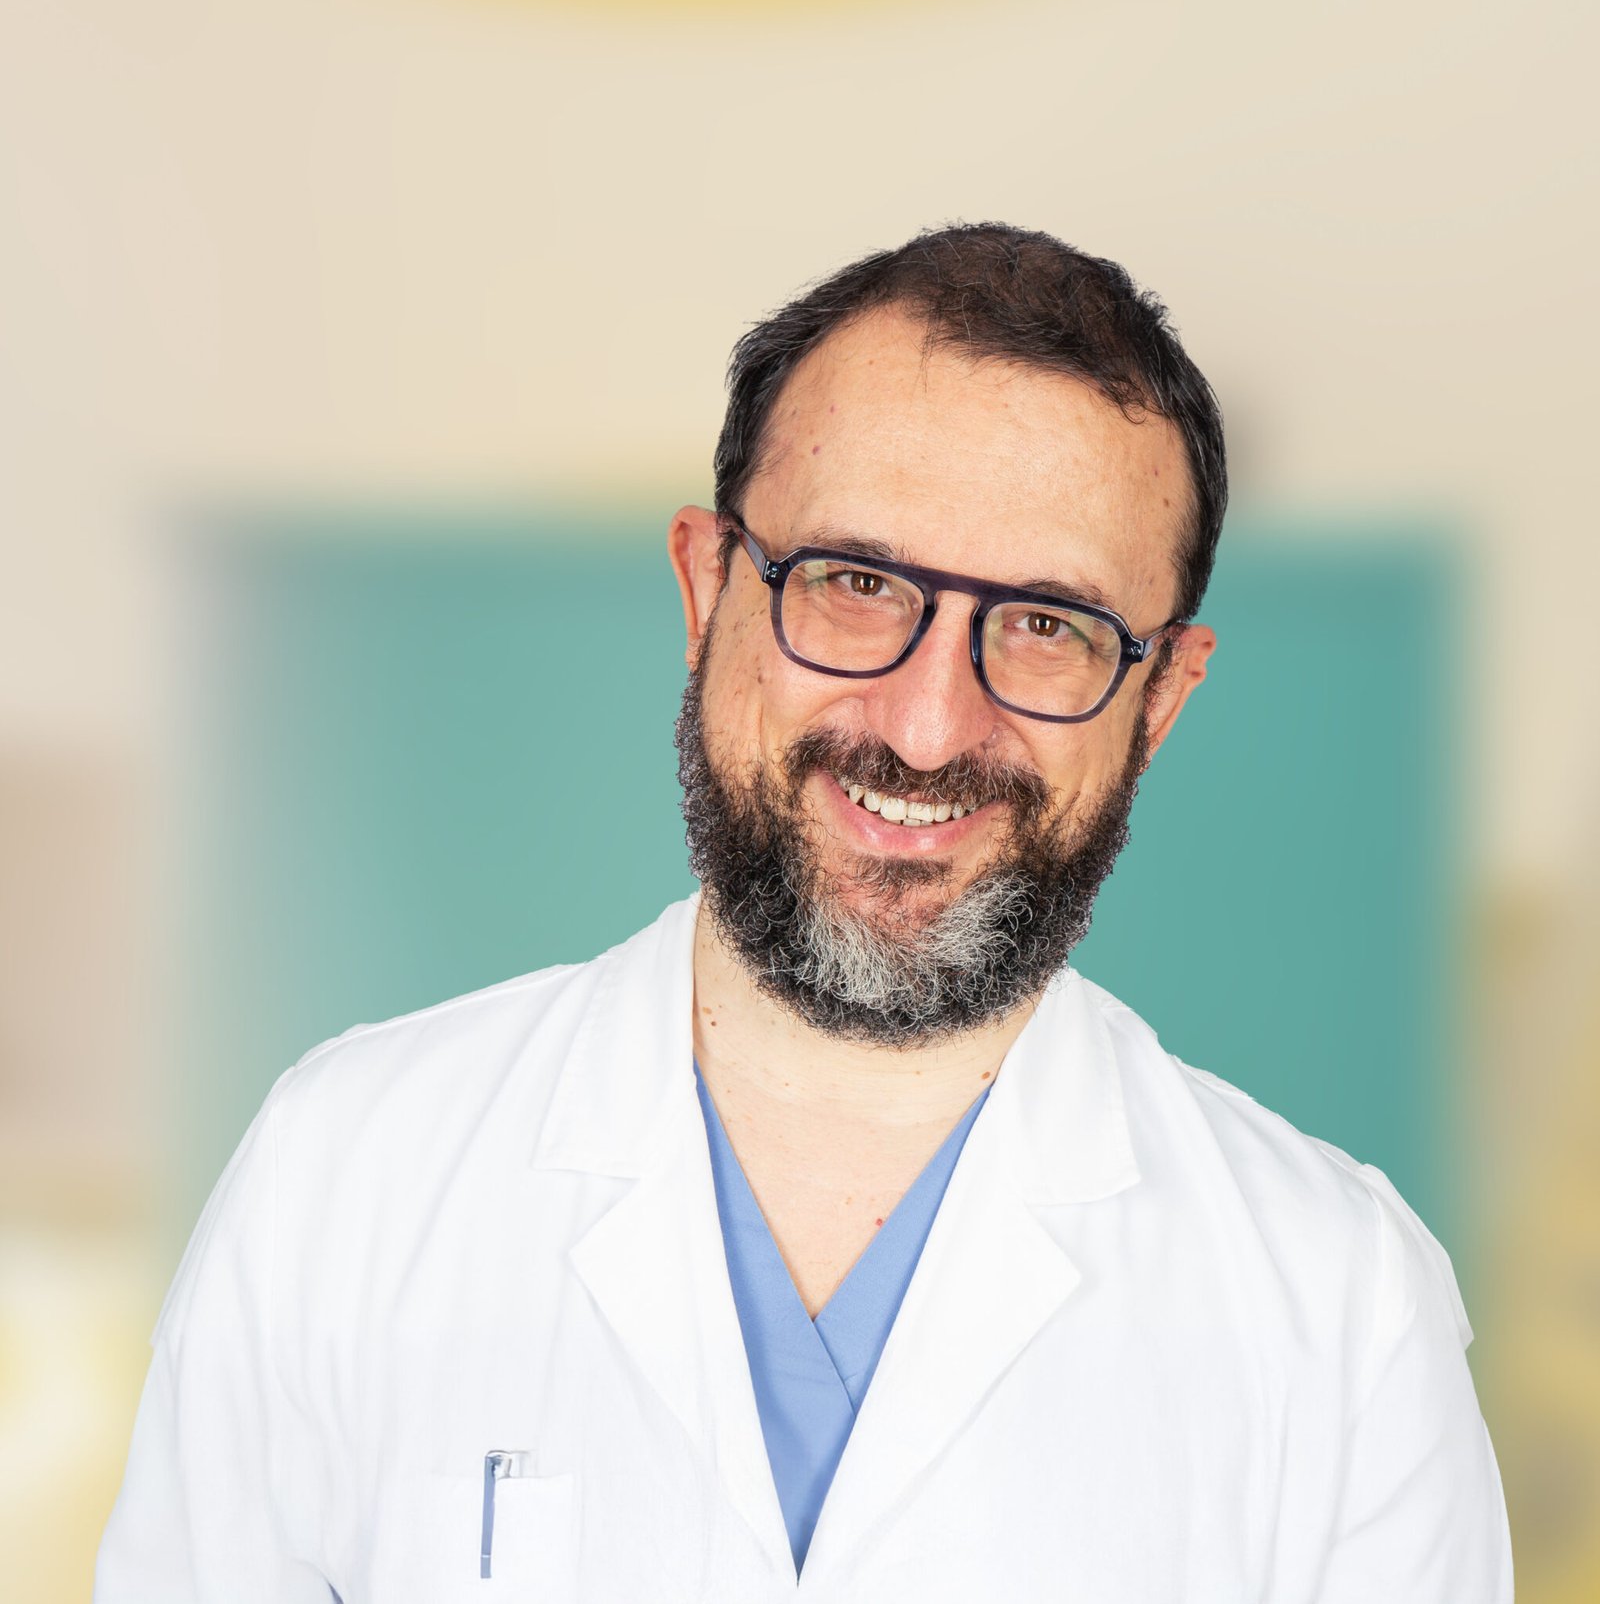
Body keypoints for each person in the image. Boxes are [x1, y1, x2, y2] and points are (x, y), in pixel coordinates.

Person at [97, 224, 1512, 1601]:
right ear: (707, 584)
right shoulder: (345, 1179)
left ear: (1162, 700)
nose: (925, 723)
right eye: (856, 583)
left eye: (1048, 626)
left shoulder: (1341, 1315)